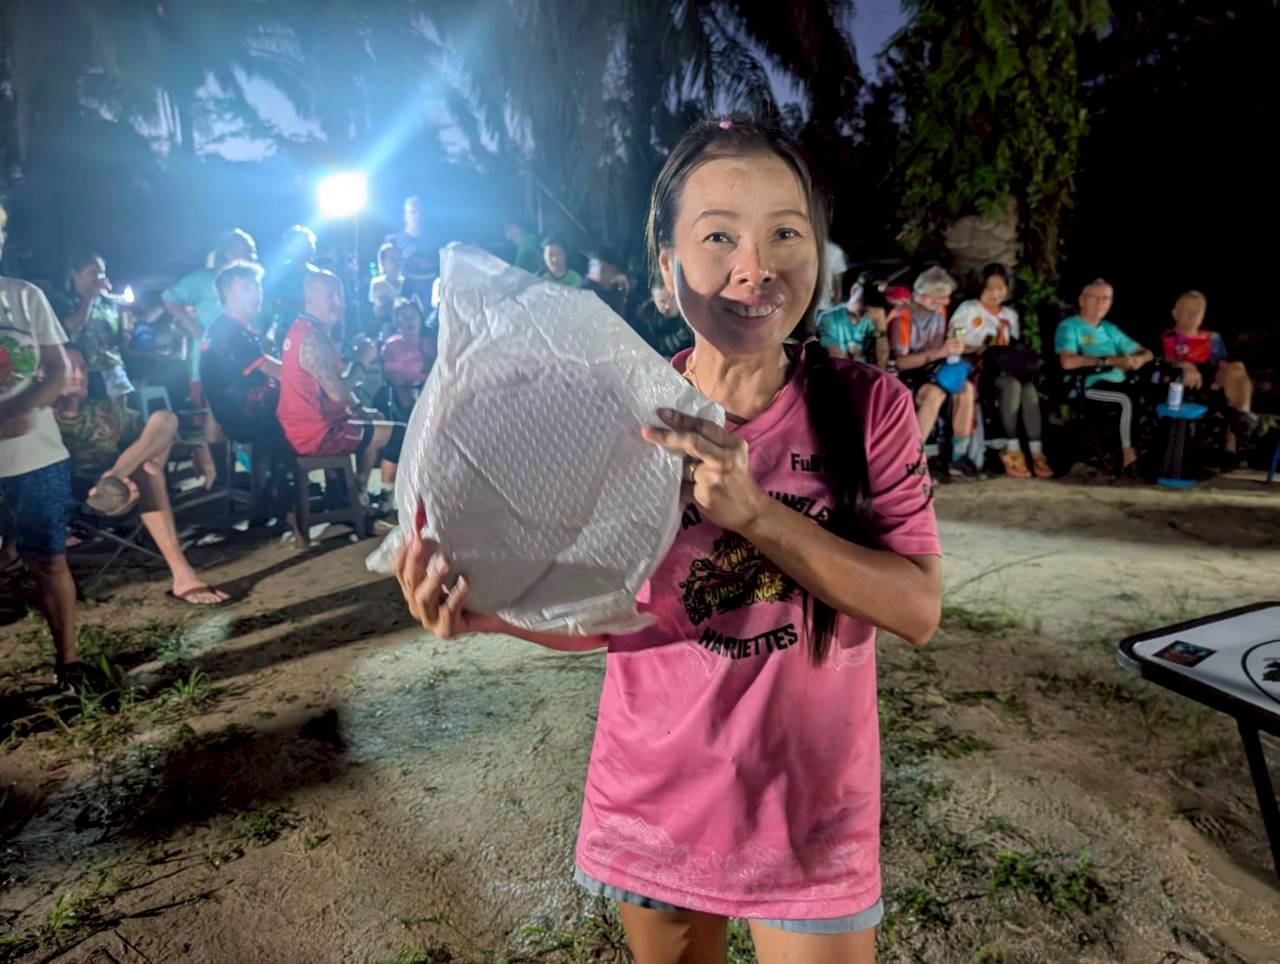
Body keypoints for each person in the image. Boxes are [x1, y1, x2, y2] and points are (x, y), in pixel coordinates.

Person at [395, 118, 942, 963]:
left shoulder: (868, 407)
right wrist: (485, 616)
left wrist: (757, 515)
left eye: (785, 233)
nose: (756, 268)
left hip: (809, 815)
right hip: (655, 808)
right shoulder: (620, 411)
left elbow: (915, 608)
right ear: (666, 266)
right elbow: (613, 619)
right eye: (719, 236)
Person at [53, 345, 229, 607]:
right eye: (70, 369)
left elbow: (152, 440)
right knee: (149, 470)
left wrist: (195, 448)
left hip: (125, 487)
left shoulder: (103, 411)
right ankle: (182, 575)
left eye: (83, 368)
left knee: (164, 419)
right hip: (87, 501)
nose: (80, 375)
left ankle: (113, 477)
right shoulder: (39, 421)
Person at [0, 207, 80, 688]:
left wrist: (16, 410)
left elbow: (58, 371)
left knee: (49, 559)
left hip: (37, 456)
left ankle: (69, 664)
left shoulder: (24, 297)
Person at [278, 270, 399, 497]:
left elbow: (332, 384)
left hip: (310, 427)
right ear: (309, 300)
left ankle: (354, 495)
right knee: (401, 437)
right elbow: (337, 392)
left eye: (340, 296)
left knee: (374, 420)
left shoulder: (305, 329)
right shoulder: (312, 338)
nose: (338, 303)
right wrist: (361, 361)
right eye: (330, 296)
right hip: (318, 434)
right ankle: (383, 497)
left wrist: (358, 409)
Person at [950, 264, 1051, 478]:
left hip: (1004, 367)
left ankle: (1036, 451)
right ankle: (1012, 449)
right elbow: (957, 337)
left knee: (1028, 389)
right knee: (1011, 386)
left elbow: (1012, 350)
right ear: (980, 287)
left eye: (1000, 288)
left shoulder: (1010, 315)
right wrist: (977, 345)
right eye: (990, 288)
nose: (996, 294)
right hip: (978, 368)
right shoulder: (968, 309)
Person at [892, 267, 984, 480]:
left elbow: (954, 331)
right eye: (941, 297)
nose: (946, 301)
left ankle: (958, 456)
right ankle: (912, 458)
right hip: (908, 374)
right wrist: (939, 352)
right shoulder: (902, 317)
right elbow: (900, 362)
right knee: (934, 394)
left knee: (966, 389)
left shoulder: (940, 311)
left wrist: (959, 339)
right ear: (923, 295)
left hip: (933, 370)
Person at [1054, 279, 1153, 473]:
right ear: (1082, 300)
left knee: (1150, 394)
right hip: (1089, 385)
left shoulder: (1109, 329)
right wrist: (1108, 361)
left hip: (1120, 382)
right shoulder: (1069, 326)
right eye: (1095, 298)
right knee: (1126, 399)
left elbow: (1147, 353)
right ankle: (1129, 456)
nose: (1101, 303)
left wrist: (1138, 360)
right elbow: (1067, 362)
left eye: (1106, 298)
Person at [162, 228, 258, 405]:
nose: (251, 256)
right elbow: (169, 297)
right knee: (211, 412)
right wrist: (193, 327)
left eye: (253, 252)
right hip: (209, 365)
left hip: (245, 364)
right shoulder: (205, 279)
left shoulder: (254, 284)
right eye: (246, 251)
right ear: (228, 253)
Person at [1160, 290, 1257, 456]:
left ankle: (1242, 419)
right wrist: (1185, 365)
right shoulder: (1167, 337)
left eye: (1197, 312)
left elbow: (1221, 363)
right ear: (1175, 313)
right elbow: (1164, 361)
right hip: (1180, 380)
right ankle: (1234, 433)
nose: (1193, 316)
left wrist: (1221, 377)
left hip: (1211, 377)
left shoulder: (1212, 338)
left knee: (1237, 368)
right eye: (1188, 311)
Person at [200, 262, 285, 448]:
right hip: (250, 419)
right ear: (227, 293)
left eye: (258, 286)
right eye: (247, 288)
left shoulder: (230, 327)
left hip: (249, 414)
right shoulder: (230, 333)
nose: (256, 293)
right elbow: (277, 371)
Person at [56, 250, 134, 405]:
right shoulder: (64, 301)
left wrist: (126, 334)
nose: (98, 278)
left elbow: (118, 340)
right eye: (92, 273)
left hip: (112, 373)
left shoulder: (109, 303)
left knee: (118, 416)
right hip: (81, 374)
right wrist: (89, 297)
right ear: (74, 274)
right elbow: (71, 326)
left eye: (101, 273)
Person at [264, 225, 318, 350]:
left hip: (313, 332)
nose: (308, 248)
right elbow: (271, 304)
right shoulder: (280, 273)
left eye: (308, 244)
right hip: (286, 331)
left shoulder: (317, 275)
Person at [386, 195, 435, 281]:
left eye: (421, 212)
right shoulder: (392, 241)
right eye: (412, 212)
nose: (417, 216)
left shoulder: (435, 243)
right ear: (405, 216)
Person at [368, 242, 405, 335]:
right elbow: (380, 310)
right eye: (392, 259)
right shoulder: (378, 284)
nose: (397, 262)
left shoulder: (407, 283)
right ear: (383, 262)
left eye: (398, 258)